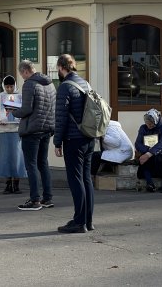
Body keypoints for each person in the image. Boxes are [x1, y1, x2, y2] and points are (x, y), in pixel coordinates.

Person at [53, 54, 96, 233]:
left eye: (58, 69)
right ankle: (88, 221)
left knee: (76, 180)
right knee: (86, 179)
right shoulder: (85, 83)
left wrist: (57, 142)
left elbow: (61, 118)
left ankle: (79, 222)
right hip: (89, 137)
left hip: (73, 140)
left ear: (61, 68)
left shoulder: (64, 87)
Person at [11, 60, 56, 211]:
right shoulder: (49, 83)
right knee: (43, 163)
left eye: (21, 74)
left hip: (32, 131)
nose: (22, 77)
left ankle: (35, 200)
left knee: (30, 165)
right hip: (47, 129)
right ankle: (47, 198)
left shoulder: (29, 84)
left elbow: (26, 109)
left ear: (25, 71)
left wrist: (13, 112)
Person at [0, 75, 27, 194]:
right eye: (7, 87)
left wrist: (21, 120)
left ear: (14, 85)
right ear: (4, 86)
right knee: (5, 158)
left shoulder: (20, 96)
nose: (9, 89)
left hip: (17, 131)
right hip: (4, 131)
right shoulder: (0, 96)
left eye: (11, 86)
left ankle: (16, 184)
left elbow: (24, 112)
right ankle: (7, 184)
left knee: (17, 158)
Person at [134, 108, 162, 193]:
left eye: (151, 124)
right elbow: (138, 143)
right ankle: (150, 184)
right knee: (141, 167)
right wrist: (148, 150)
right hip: (149, 152)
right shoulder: (143, 128)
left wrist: (149, 154)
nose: (148, 126)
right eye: (147, 123)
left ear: (156, 121)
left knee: (158, 160)